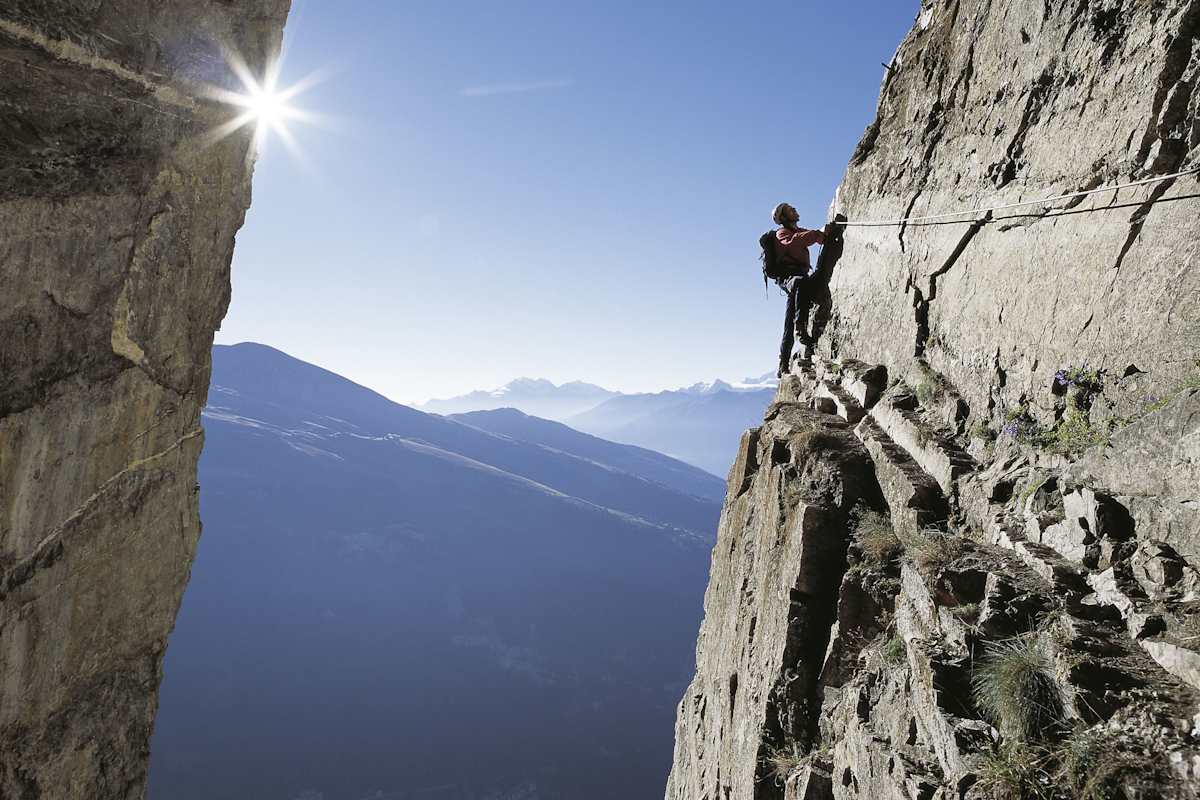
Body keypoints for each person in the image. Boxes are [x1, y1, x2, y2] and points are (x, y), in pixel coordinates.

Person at [770, 202, 826, 376]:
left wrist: (825, 234)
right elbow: (795, 242)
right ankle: (800, 327)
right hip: (789, 278)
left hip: (799, 278)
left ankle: (783, 363)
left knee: (789, 320)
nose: (794, 209)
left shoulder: (798, 230)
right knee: (800, 283)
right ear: (784, 218)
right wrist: (817, 234)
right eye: (790, 210)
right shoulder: (783, 233)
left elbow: (816, 237)